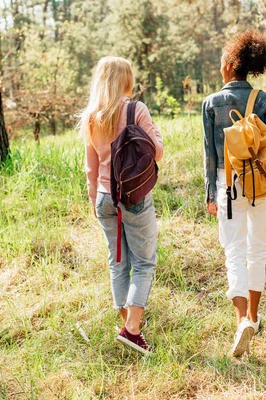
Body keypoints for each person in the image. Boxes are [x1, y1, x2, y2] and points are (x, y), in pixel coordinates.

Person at [202, 30, 266, 357]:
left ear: (229, 65)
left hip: (228, 183)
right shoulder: (264, 100)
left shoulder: (211, 103)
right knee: (257, 249)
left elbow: (209, 154)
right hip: (261, 183)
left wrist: (211, 191)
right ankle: (253, 316)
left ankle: (242, 321)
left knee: (234, 250)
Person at [79, 56, 164, 355]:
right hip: (133, 197)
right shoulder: (135, 109)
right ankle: (132, 330)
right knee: (144, 262)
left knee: (118, 263)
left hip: (104, 197)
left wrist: (94, 200)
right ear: (125, 80)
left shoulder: (92, 117)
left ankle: (128, 326)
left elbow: (91, 168)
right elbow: (158, 152)